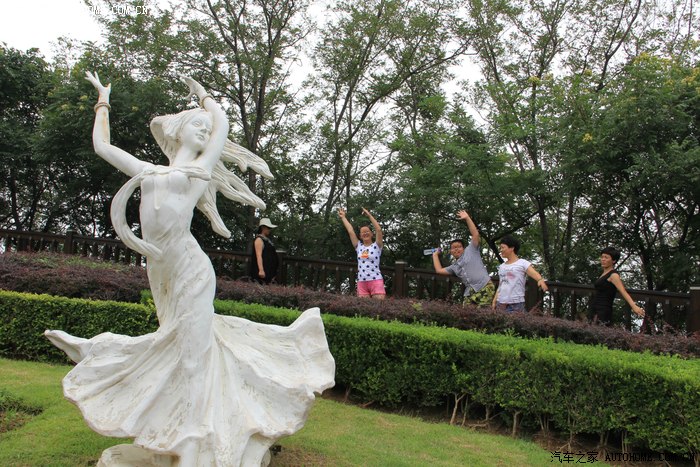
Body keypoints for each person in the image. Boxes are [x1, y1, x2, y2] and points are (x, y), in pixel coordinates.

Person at [44, 72, 335, 466]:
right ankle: (165, 416)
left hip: (190, 268)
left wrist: (204, 98)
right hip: (159, 271)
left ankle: (193, 442)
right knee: (171, 345)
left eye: (205, 128)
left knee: (194, 357)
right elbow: (102, 146)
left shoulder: (199, 169)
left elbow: (222, 126)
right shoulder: (148, 171)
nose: (204, 132)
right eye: (197, 125)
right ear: (178, 131)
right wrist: (103, 101)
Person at [432, 210, 494, 306]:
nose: (456, 249)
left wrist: (467, 218)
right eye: (453, 248)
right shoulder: (454, 267)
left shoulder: (471, 250)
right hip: (470, 292)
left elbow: (475, 234)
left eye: (459, 247)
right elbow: (439, 270)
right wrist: (435, 255)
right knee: (466, 313)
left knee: (483, 313)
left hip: (485, 286)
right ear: (451, 251)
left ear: (464, 248)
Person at [589, 246, 645, 325]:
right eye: (602, 257)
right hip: (595, 308)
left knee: (600, 330)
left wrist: (634, 306)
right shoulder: (603, 274)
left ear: (614, 260)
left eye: (606, 257)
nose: (603, 259)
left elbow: (623, 291)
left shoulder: (613, 275)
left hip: (603, 310)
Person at [492, 235, 548, 312]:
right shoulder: (502, 267)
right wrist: (495, 300)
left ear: (512, 248)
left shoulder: (522, 263)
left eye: (503, 247)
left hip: (515, 304)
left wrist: (540, 280)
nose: (501, 250)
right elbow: (501, 285)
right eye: (500, 248)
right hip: (500, 303)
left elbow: (533, 273)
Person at [338, 207, 385, 299]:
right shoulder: (358, 246)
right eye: (363, 232)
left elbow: (378, 229)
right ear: (360, 236)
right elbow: (350, 231)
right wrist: (343, 217)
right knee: (363, 307)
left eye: (367, 231)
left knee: (378, 306)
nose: (365, 233)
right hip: (361, 281)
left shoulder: (377, 245)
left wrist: (369, 215)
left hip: (376, 280)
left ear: (371, 234)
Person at [250, 217, 279, 284]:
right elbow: (258, 255)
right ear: (263, 228)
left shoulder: (267, 240)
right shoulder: (259, 240)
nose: (269, 230)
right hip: (261, 275)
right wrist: (261, 270)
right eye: (268, 228)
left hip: (269, 274)